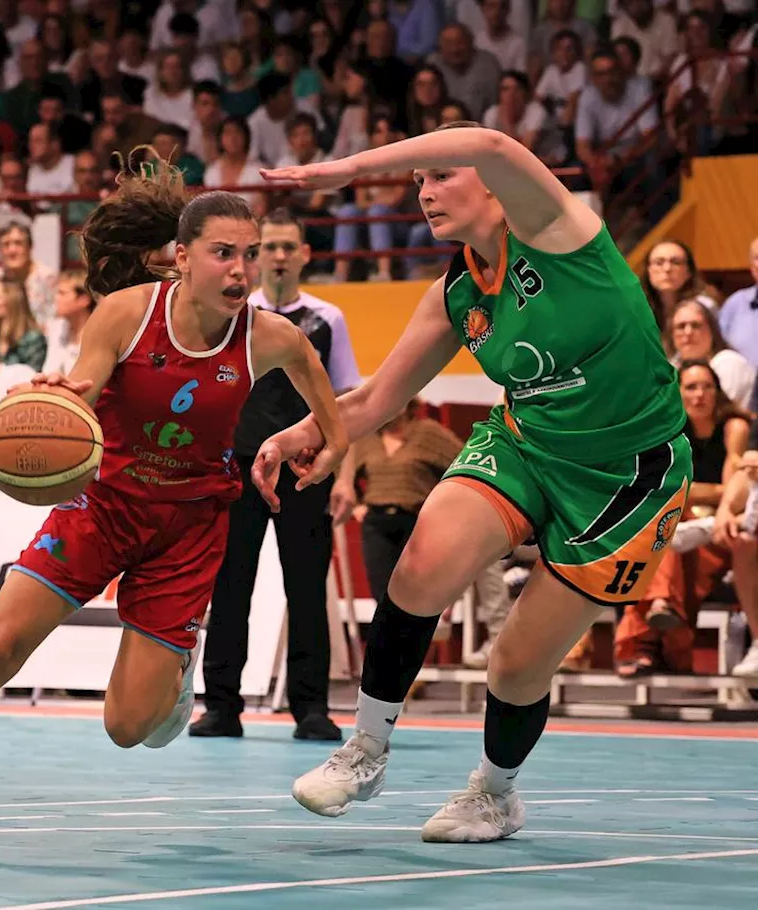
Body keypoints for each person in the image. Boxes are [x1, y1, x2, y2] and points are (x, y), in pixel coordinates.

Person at [0, 157, 348, 858]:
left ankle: (177, 667)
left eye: (248, 255)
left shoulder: (271, 336)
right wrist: (58, 399)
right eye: (223, 254)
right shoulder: (127, 312)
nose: (241, 270)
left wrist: (328, 442)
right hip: (103, 508)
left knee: (128, 728)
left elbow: (323, 391)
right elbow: (86, 386)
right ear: (181, 259)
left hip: (187, 531)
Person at [254, 122, 690, 843]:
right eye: (417, 181)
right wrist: (305, 433)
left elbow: (487, 141)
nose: (424, 191)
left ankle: (494, 793)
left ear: (494, 186)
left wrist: (347, 170)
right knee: (421, 564)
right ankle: (365, 751)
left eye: (438, 175)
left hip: (629, 476)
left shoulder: (561, 230)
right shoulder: (457, 290)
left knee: (517, 664)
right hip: (526, 443)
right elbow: (371, 400)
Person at [192, 208, 360, 741]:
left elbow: (346, 404)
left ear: (306, 255)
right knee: (230, 585)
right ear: (258, 255)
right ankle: (221, 705)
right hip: (235, 469)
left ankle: (310, 707)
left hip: (305, 471)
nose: (280, 256)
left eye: (290, 247)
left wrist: (347, 476)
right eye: (272, 247)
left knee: (308, 589)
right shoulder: (236, 316)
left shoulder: (327, 320)